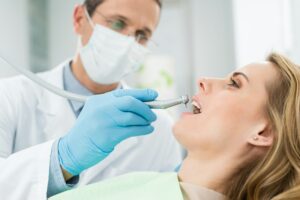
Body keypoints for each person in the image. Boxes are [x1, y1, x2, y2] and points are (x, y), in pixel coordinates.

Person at [49, 53, 300, 200]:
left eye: (234, 83)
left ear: (263, 132)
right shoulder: (146, 183)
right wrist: (59, 165)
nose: (203, 80)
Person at [0, 0, 182, 199]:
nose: (129, 42)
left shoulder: (160, 128)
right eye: (118, 23)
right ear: (79, 19)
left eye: (142, 35)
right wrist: (60, 161)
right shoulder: (10, 96)